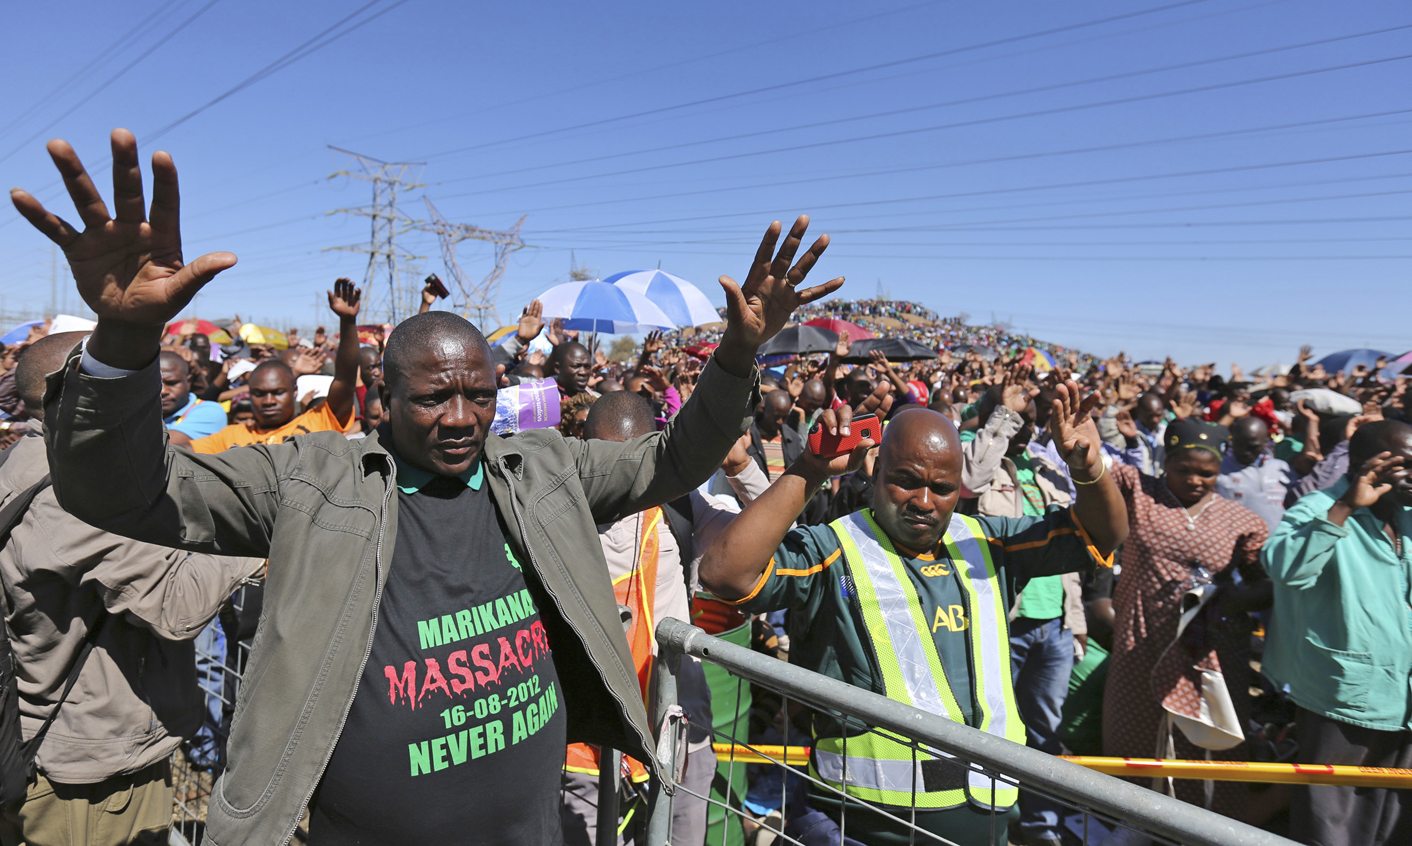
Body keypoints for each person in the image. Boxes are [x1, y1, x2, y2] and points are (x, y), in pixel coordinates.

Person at [14, 127, 844, 845]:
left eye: (478, 395)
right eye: (432, 396)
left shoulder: (542, 471)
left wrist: (735, 357)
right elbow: (120, 493)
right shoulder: (312, 479)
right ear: (383, 398)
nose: (459, 417)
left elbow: (672, 461)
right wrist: (123, 340)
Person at [699, 384, 1127, 846]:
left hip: (985, 822)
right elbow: (726, 573)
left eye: (942, 488)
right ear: (875, 470)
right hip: (865, 826)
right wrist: (810, 468)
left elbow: (1100, 536)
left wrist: (1088, 469)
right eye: (906, 480)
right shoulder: (835, 553)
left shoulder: (986, 542)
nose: (924, 501)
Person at [0, 332, 261, 846]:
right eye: (132, 376)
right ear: (81, 388)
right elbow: (175, 603)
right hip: (92, 771)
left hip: (65, 743)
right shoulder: (73, 487)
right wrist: (263, 547)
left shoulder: (27, 459)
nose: (152, 392)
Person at [560, 392, 769, 846]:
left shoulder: (682, 509)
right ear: (582, 446)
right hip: (584, 751)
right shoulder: (553, 515)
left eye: (632, 462)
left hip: (678, 741)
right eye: (605, 459)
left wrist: (739, 468)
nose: (618, 478)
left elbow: (774, 538)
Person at [1101, 420, 1271, 816]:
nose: (1195, 480)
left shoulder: (1240, 521)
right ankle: (1134, 823)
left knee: (1204, 743)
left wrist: (1227, 601)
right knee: (1134, 732)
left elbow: (1264, 585)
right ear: (1165, 464)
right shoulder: (1139, 491)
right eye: (1184, 470)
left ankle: (1198, 825)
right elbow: (1092, 469)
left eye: (1207, 473)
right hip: (1140, 640)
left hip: (1206, 649)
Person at [1262, 420, 1412, 846]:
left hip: (1404, 700)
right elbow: (1286, 569)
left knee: (1394, 820)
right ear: (1367, 467)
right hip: (1344, 700)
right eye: (1406, 465)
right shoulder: (1319, 508)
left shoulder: (1408, 515)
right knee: (1333, 822)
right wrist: (1345, 506)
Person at [958, 381, 1086, 846]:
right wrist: (1003, 418)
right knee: (992, 731)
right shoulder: (989, 464)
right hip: (1003, 625)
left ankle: (1040, 828)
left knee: (1045, 734)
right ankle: (991, 824)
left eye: (1033, 417)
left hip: (1053, 627)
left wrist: (1076, 622)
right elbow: (967, 481)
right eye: (1020, 416)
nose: (1028, 423)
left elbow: (1077, 543)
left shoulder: (1051, 471)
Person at [187, 278, 362, 453]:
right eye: (259, 394)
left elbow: (345, 380)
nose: (268, 401)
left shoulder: (319, 421)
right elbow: (179, 453)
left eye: (278, 393)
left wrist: (347, 322)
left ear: (294, 391)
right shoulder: (229, 437)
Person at [1217, 416, 1296, 531]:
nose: (1245, 451)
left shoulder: (1281, 468)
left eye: (1252, 447)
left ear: (1265, 442)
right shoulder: (1218, 468)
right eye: (1239, 444)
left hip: (1272, 542)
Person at [160, 350, 228, 446]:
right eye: (154, 384)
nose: (163, 391)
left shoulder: (210, 412)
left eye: (172, 383)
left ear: (188, 381)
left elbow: (154, 446)